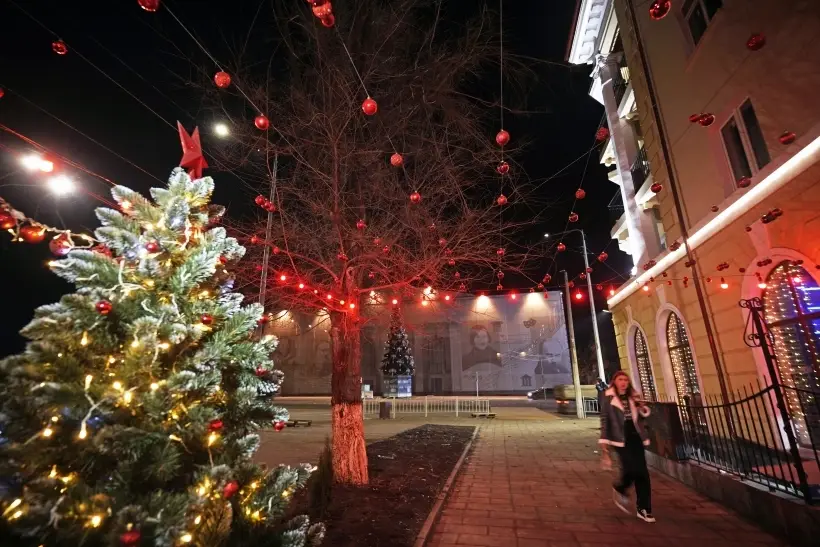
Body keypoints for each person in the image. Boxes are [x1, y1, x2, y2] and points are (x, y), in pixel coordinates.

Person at [599, 370, 655, 523]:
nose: (623, 382)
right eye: (620, 379)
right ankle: (621, 487)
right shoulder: (608, 397)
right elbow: (605, 419)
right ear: (615, 382)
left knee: (642, 472)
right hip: (619, 437)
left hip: (636, 436)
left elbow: (643, 415)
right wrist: (604, 443)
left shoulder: (633, 396)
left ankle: (644, 509)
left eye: (626, 380)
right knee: (631, 468)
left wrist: (642, 407)